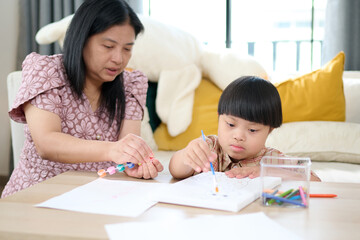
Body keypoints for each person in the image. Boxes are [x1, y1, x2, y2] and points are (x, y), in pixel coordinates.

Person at [1, 0, 163, 198]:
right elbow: (46, 143)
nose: (119, 59)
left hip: (96, 197)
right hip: (38, 194)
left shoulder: (131, 85)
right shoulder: (46, 70)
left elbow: (126, 148)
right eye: (108, 46)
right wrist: (113, 150)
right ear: (82, 39)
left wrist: (132, 163)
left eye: (127, 49)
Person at [169, 76, 320, 181]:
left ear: (270, 130)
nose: (239, 136)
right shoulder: (209, 147)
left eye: (252, 130)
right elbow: (175, 170)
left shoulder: (272, 159)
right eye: (231, 124)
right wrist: (187, 155)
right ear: (219, 118)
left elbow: (315, 180)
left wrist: (269, 172)